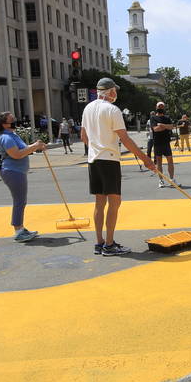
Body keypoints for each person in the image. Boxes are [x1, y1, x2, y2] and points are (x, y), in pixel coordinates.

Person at [79, 78, 154, 256]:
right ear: (110, 91)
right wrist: (146, 159)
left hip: (94, 160)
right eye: (115, 91)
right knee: (114, 202)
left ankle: (99, 242)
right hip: (109, 159)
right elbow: (125, 139)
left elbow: (83, 136)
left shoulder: (88, 108)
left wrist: (95, 149)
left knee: (99, 202)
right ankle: (110, 244)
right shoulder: (112, 110)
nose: (116, 94)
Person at [0, 111, 46, 242]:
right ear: (5, 124)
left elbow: (24, 149)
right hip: (12, 171)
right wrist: (34, 146)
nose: (15, 121)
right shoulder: (6, 137)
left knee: (21, 200)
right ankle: (18, 230)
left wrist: (35, 146)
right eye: (12, 120)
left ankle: (20, 228)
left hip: (17, 171)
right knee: (19, 201)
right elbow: (16, 154)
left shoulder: (12, 135)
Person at [149, 101, 177, 188]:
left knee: (170, 161)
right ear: (156, 107)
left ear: (164, 108)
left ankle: (172, 180)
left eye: (162, 106)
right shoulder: (153, 118)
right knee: (159, 163)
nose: (160, 108)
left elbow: (171, 127)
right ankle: (161, 180)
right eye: (159, 106)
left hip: (166, 142)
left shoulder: (167, 117)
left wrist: (162, 125)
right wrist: (165, 127)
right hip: (157, 143)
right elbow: (155, 129)